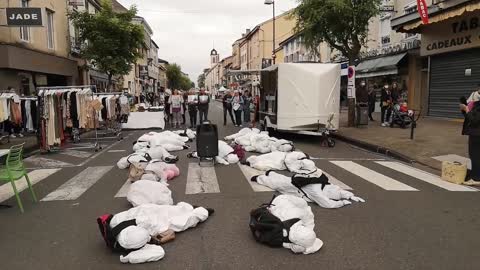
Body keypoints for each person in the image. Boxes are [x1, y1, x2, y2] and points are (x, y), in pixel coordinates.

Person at [460, 86, 480, 186]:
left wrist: (467, 109)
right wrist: (465, 110)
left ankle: (476, 178)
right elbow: (469, 117)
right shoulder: (476, 103)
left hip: (477, 134)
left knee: (475, 155)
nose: (477, 91)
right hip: (475, 133)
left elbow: (474, 120)